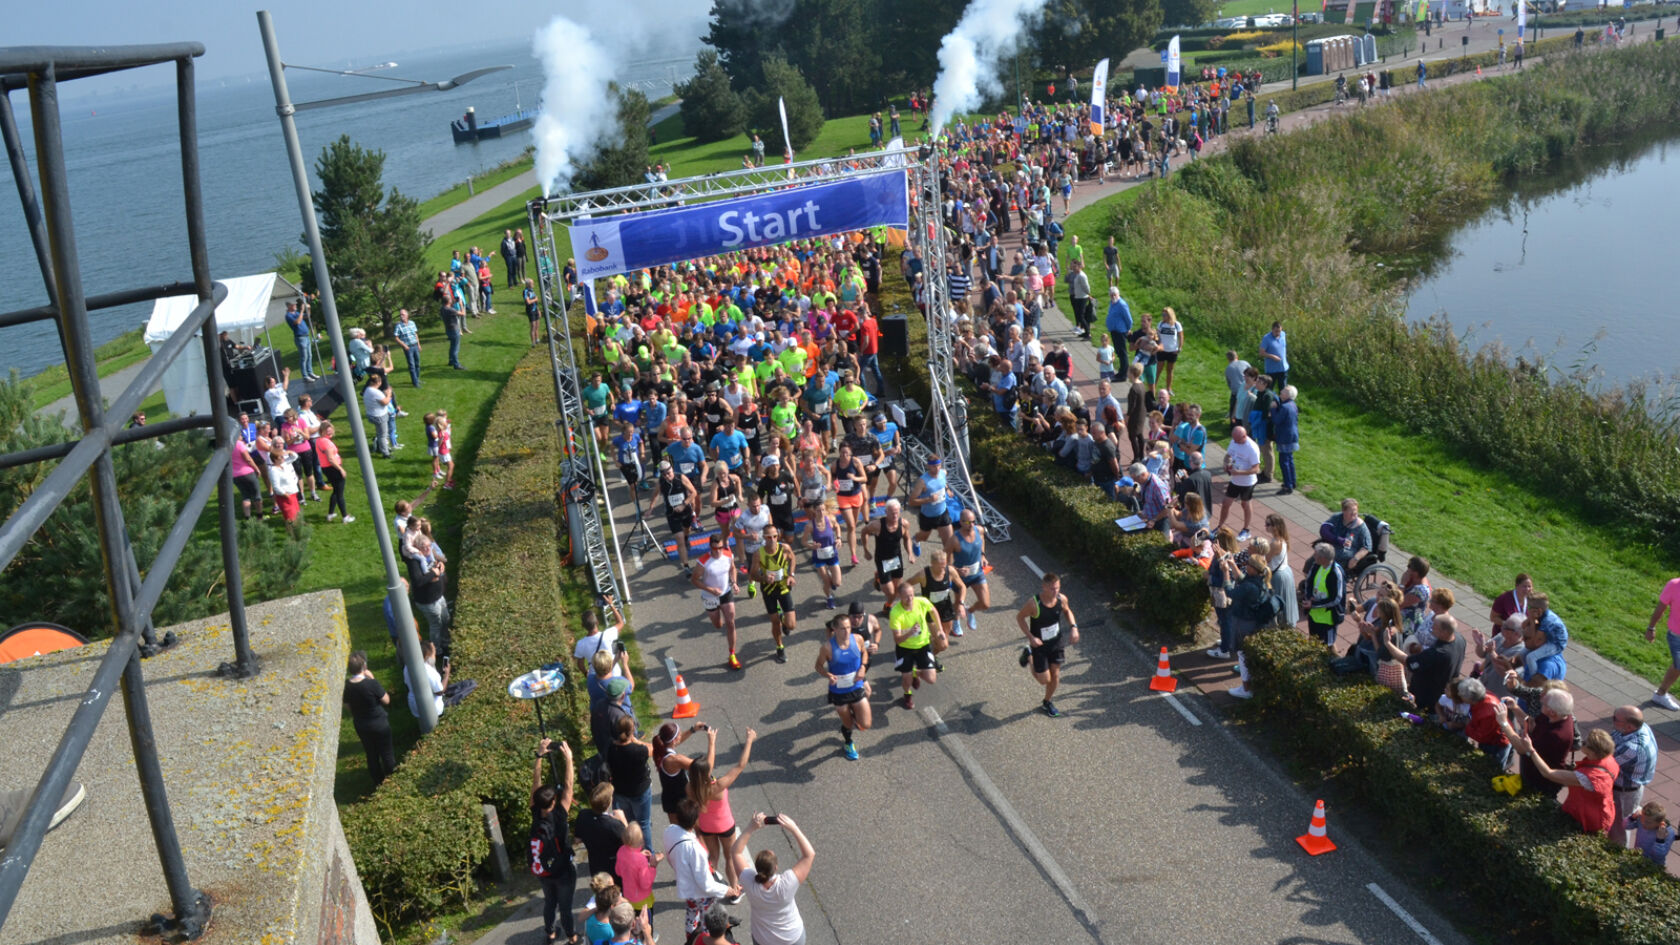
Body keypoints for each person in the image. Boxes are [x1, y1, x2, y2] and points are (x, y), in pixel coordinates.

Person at [1510, 722, 1620, 835]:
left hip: (1589, 819)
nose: (1582, 742)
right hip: (1599, 809)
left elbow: (1549, 773)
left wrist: (1531, 750)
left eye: (1586, 743)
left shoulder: (1589, 777)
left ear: (1593, 752)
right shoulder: (1608, 759)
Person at [688, 728, 757, 899]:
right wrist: (749, 741)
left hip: (706, 826)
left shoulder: (690, 788)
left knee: (713, 856)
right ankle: (734, 890)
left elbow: (706, 767)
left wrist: (711, 742)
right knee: (730, 857)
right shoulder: (717, 787)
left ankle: (709, 885)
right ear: (707, 774)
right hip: (725, 825)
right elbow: (740, 766)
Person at [730, 812, 814, 945]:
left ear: (757, 868)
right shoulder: (787, 883)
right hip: (792, 938)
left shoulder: (749, 882)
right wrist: (793, 827)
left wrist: (751, 827)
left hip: (763, 939)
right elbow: (809, 854)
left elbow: (736, 851)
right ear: (775, 868)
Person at [529, 736, 578, 945]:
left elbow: (535, 786)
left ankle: (550, 933)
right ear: (554, 801)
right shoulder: (559, 814)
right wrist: (569, 759)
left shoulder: (535, 813)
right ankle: (573, 937)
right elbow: (568, 785)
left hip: (543, 869)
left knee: (550, 902)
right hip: (563, 870)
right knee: (565, 907)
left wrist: (539, 756)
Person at [1017, 571, 1080, 717]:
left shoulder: (1061, 598)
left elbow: (1067, 611)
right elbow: (1020, 618)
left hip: (1056, 642)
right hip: (1039, 645)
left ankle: (1047, 702)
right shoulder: (1034, 604)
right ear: (1044, 587)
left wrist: (1074, 627)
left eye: (1057, 588)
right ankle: (1029, 657)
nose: (1055, 591)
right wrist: (1031, 637)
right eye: (1052, 588)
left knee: (1055, 675)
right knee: (1044, 680)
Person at [815, 611, 872, 761]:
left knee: (865, 724)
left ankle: (854, 713)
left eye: (848, 627)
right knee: (848, 725)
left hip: (856, 686)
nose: (847, 631)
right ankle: (848, 743)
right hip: (839, 692)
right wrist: (828, 675)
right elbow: (818, 667)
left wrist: (863, 668)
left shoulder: (858, 639)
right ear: (834, 629)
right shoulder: (827, 647)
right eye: (842, 628)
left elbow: (865, 653)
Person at [1609, 706, 1659, 848]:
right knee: (1625, 815)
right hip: (1630, 787)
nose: (1612, 720)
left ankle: (1618, 851)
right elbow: (1613, 737)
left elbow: (1605, 761)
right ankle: (1635, 812)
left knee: (1619, 828)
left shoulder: (1633, 747)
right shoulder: (1641, 727)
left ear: (1629, 726)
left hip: (1623, 791)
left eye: (1615, 719)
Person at [343, 651, 395, 786]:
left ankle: (378, 782)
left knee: (371, 754)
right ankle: (393, 780)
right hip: (379, 723)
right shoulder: (371, 684)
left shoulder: (347, 686)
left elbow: (347, 706)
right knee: (387, 753)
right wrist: (373, 679)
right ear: (364, 666)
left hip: (361, 724)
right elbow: (386, 700)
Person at [691, 534, 743, 670]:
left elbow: (732, 568)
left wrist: (734, 583)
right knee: (718, 625)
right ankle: (718, 619)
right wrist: (710, 589)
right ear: (710, 547)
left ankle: (732, 654)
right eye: (715, 548)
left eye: (720, 547)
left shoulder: (728, 555)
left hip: (725, 593)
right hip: (710, 597)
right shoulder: (703, 561)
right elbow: (694, 580)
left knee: (731, 622)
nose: (718, 551)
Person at [889, 581, 943, 710]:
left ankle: (916, 672)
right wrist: (910, 632)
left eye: (912, 595)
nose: (910, 599)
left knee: (931, 679)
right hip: (905, 648)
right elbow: (897, 640)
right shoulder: (895, 613)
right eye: (906, 596)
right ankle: (907, 694)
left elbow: (933, 611)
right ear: (900, 597)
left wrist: (939, 629)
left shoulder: (921, 602)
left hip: (923, 645)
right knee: (906, 679)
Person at [752, 524, 798, 664]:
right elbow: (753, 575)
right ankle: (780, 647)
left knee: (791, 626)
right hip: (768, 590)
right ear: (764, 538)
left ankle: (784, 620)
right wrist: (763, 578)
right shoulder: (758, 554)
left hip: (783, 588)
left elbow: (793, 559)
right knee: (774, 622)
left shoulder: (784, 548)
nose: (772, 539)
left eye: (774, 536)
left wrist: (791, 575)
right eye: (768, 537)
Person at [614, 820, 661, 943]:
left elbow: (618, 871)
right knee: (646, 921)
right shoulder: (640, 860)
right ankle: (647, 937)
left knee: (633, 921)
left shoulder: (621, 851)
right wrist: (652, 866)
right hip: (642, 899)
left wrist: (639, 854)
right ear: (641, 840)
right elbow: (645, 883)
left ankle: (634, 937)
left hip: (628, 895)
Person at [575, 782, 628, 890]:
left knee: (601, 893)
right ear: (609, 803)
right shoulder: (614, 825)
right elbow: (630, 843)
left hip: (595, 866)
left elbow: (577, 839)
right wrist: (623, 821)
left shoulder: (583, 815)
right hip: (615, 869)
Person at [863, 498, 914, 606]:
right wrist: (866, 550)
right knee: (891, 592)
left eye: (897, 513)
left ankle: (887, 604)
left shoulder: (904, 524)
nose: (895, 516)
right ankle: (881, 584)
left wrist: (910, 553)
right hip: (882, 560)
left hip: (896, 559)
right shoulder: (877, 525)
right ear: (886, 512)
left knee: (897, 590)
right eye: (892, 513)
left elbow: (907, 538)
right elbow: (864, 532)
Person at [946, 510, 990, 634]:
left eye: (973, 522)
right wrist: (956, 570)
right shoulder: (954, 540)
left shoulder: (979, 530)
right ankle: (956, 621)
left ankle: (970, 611)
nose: (971, 525)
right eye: (967, 522)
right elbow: (945, 561)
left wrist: (982, 555)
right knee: (957, 603)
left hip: (977, 574)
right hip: (961, 578)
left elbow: (982, 539)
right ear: (960, 522)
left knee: (985, 604)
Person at [1215, 425, 1261, 539]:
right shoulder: (1234, 441)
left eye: (1237, 440)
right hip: (1235, 480)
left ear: (1244, 436)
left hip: (1247, 482)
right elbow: (1228, 455)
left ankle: (1246, 530)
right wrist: (1225, 464)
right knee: (1226, 503)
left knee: (1245, 504)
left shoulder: (1252, 448)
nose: (1235, 442)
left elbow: (1256, 469)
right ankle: (1219, 526)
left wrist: (1239, 472)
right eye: (1234, 439)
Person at [1644, 575, 1680, 710]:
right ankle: (1660, 694)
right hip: (1677, 636)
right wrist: (1651, 628)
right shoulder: (1674, 585)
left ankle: (1660, 694)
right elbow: (1660, 608)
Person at [1300, 542, 1346, 647]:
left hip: (1327, 618)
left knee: (1328, 645)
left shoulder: (1336, 572)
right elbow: (1309, 582)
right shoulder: (1316, 565)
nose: (1313, 556)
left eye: (1315, 554)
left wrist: (1314, 604)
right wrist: (1308, 597)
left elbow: (1336, 598)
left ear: (1323, 558)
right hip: (1314, 615)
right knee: (1313, 641)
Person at [907, 456, 954, 556]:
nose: (937, 469)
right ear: (928, 466)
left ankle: (947, 568)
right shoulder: (922, 481)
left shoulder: (943, 472)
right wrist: (929, 499)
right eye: (934, 466)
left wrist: (947, 489)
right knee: (924, 537)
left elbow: (943, 482)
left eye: (938, 466)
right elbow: (911, 501)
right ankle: (915, 540)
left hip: (943, 514)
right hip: (928, 517)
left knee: (949, 544)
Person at [1320, 499, 1371, 573]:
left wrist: (1355, 559)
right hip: (1332, 547)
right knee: (1313, 560)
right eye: (1351, 510)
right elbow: (1324, 529)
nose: (1354, 512)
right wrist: (1338, 540)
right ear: (1343, 511)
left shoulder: (1360, 526)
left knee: (1327, 565)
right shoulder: (1337, 518)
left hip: (1346, 553)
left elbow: (1367, 547)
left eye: (1355, 510)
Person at [1627, 802, 1677, 867]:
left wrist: (1660, 840)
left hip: (1653, 865)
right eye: (1642, 819)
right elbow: (1626, 826)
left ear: (1659, 822)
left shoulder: (1668, 832)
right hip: (1636, 857)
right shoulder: (1643, 819)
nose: (1643, 823)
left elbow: (1659, 855)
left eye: (1648, 822)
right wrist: (1632, 818)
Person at [1272, 385, 1299, 494]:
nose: (1281, 393)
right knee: (1289, 459)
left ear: (1288, 395)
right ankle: (1292, 481)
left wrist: (1273, 409)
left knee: (1284, 462)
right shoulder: (1292, 405)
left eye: (1283, 392)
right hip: (1292, 435)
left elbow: (1277, 420)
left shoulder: (1284, 407)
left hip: (1284, 436)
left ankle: (1288, 486)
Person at [284, 299, 317, 381]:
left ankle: (310, 372)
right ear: (289, 306)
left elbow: (307, 316)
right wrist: (302, 310)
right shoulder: (288, 315)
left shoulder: (296, 313)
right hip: (300, 338)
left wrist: (308, 308)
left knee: (310, 355)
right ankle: (305, 376)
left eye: (295, 304)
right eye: (293, 305)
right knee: (304, 357)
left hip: (306, 336)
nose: (295, 306)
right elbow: (298, 322)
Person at [393, 308, 422, 387]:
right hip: (408, 348)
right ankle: (415, 383)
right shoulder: (398, 326)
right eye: (400, 315)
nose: (402, 316)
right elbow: (396, 337)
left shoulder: (412, 323)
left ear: (407, 315)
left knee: (417, 363)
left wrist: (419, 344)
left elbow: (415, 334)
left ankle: (417, 378)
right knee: (411, 365)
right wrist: (404, 345)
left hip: (415, 345)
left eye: (403, 314)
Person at [1259, 321, 1288, 391]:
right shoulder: (1266, 338)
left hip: (1283, 368)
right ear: (1272, 329)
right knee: (1269, 389)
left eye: (1279, 331)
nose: (1278, 333)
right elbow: (1261, 353)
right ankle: (1269, 401)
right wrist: (1272, 356)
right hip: (1272, 370)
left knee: (1283, 389)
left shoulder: (1283, 335)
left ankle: (1282, 401)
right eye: (1276, 331)